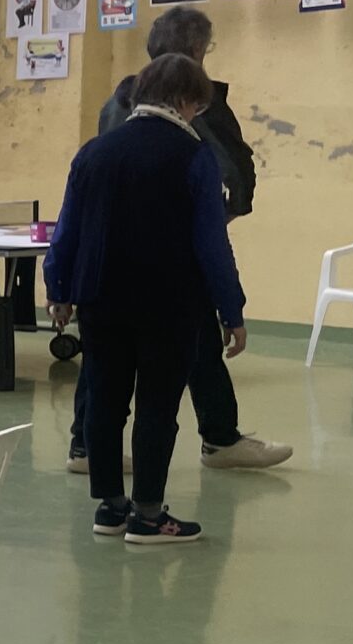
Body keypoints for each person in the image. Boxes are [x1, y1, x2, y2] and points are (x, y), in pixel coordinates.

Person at [67, 8, 290, 475]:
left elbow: (76, 212)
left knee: (105, 356)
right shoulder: (192, 108)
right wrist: (232, 304)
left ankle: (88, 449)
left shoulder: (115, 106)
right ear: (196, 52)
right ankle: (211, 444)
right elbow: (231, 170)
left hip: (108, 263)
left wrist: (60, 285)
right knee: (178, 360)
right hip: (170, 262)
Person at [44, 52, 248, 546]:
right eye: (198, 105)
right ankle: (150, 516)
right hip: (168, 300)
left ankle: (110, 508)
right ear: (185, 100)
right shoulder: (194, 155)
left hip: (99, 296)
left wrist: (58, 289)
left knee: (104, 399)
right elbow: (211, 243)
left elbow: (67, 229)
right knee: (158, 405)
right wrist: (231, 309)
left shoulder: (93, 152)